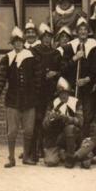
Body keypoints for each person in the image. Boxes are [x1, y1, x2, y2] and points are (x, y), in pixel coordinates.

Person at [0, 26, 41, 168]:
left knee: (28, 130)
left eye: (20, 41)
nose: (18, 44)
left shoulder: (31, 57)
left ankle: (26, 156)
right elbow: (1, 78)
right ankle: (11, 158)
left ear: (23, 42)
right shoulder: (7, 58)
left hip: (29, 100)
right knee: (12, 131)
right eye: (15, 42)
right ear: (12, 43)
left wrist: (36, 94)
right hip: (13, 100)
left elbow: (38, 77)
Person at [29, 22, 61, 163]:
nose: (47, 39)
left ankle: (46, 148)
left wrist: (55, 73)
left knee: (48, 120)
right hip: (37, 91)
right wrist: (43, 74)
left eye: (49, 37)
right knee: (37, 120)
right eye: (45, 37)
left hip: (51, 91)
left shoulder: (55, 53)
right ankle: (34, 150)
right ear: (41, 38)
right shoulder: (35, 51)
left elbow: (61, 69)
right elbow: (32, 70)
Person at [61, 17, 96, 137]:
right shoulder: (69, 47)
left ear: (88, 31)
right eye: (80, 29)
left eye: (85, 29)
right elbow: (63, 68)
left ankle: (84, 141)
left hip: (88, 87)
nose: (83, 32)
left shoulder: (95, 46)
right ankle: (72, 141)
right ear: (76, 32)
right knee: (73, 114)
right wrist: (75, 58)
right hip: (73, 87)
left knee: (87, 115)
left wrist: (88, 79)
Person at [42, 77, 84, 168]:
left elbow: (80, 122)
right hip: (56, 136)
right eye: (61, 93)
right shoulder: (53, 103)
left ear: (69, 93)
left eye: (65, 93)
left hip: (73, 135)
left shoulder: (76, 102)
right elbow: (44, 125)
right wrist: (50, 118)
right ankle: (61, 152)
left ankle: (70, 158)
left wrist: (66, 118)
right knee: (50, 162)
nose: (63, 96)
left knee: (70, 128)